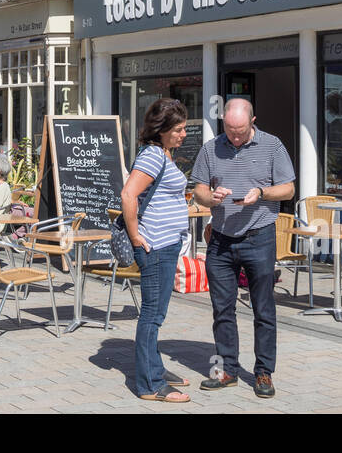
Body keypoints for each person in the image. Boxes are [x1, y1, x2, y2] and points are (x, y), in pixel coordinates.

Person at [191, 98, 295, 399]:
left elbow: (288, 188)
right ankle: (226, 370)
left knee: (263, 308)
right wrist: (211, 197)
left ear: (253, 121)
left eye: (240, 130)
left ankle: (263, 372)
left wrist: (261, 193)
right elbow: (198, 188)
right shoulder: (211, 147)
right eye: (229, 129)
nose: (234, 136)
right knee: (222, 309)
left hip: (259, 236)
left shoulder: (272, 145)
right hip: (221, 239)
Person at [121, 98, 193, 403]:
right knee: (152, 315)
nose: (184, 134)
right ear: (161, 130)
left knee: (157, 313)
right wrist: (136, 236)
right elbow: (128, 195)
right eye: (178, 129)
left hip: (167, 242)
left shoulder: (164, 154)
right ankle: (150, 384)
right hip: (156, 246)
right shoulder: (152, 156)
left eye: (184, 128)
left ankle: (156, 368)